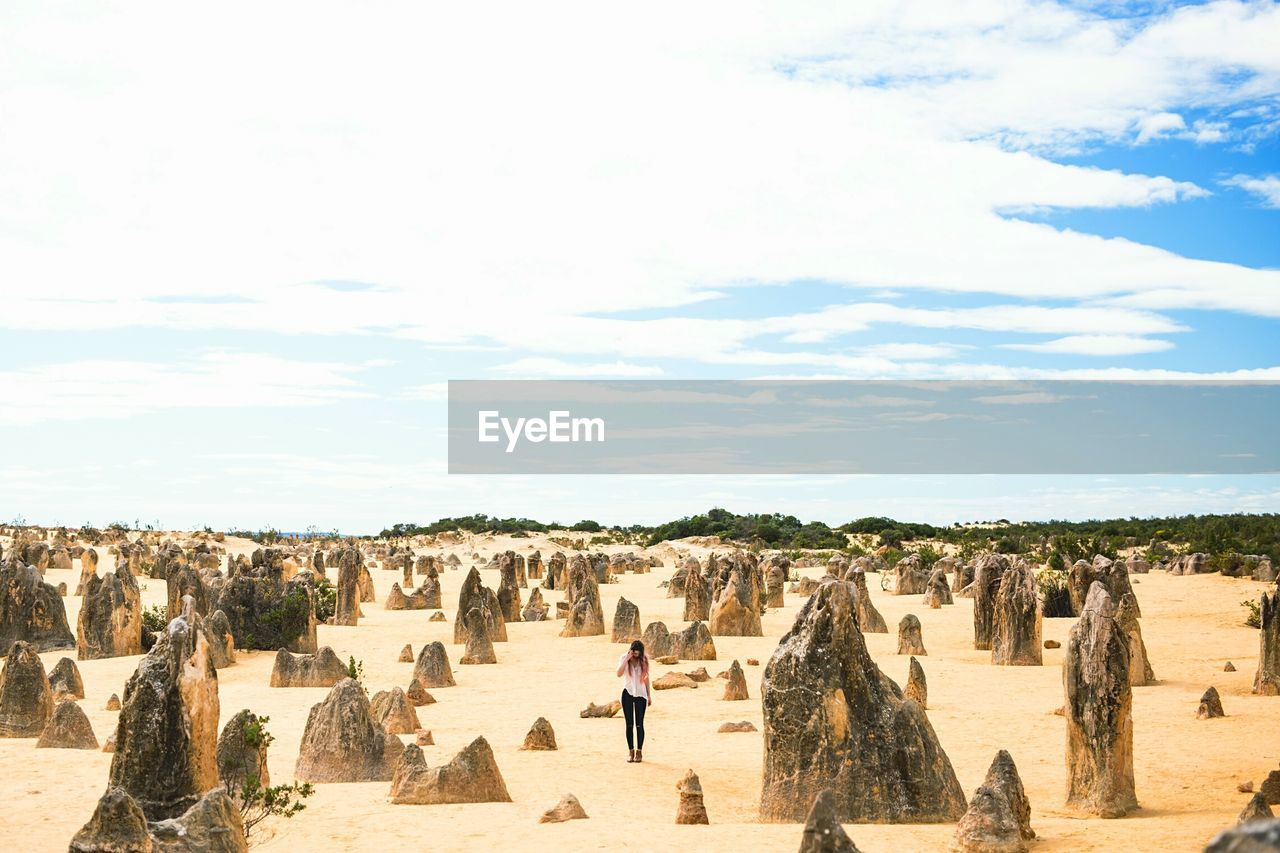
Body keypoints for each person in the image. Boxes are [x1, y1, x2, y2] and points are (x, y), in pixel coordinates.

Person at [616, 639, 652, 762]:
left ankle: (639, 752)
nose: (635, 656)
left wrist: (649, 695)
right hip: (628, 693)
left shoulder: (644, 661)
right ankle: (630, 752)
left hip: (641, 695)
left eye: (637, 654)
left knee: (639, 724)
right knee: (629, 724)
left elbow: (646, 678)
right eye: (634, 653)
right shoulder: (624, 658)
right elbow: (618, 674)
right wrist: (627, 659)